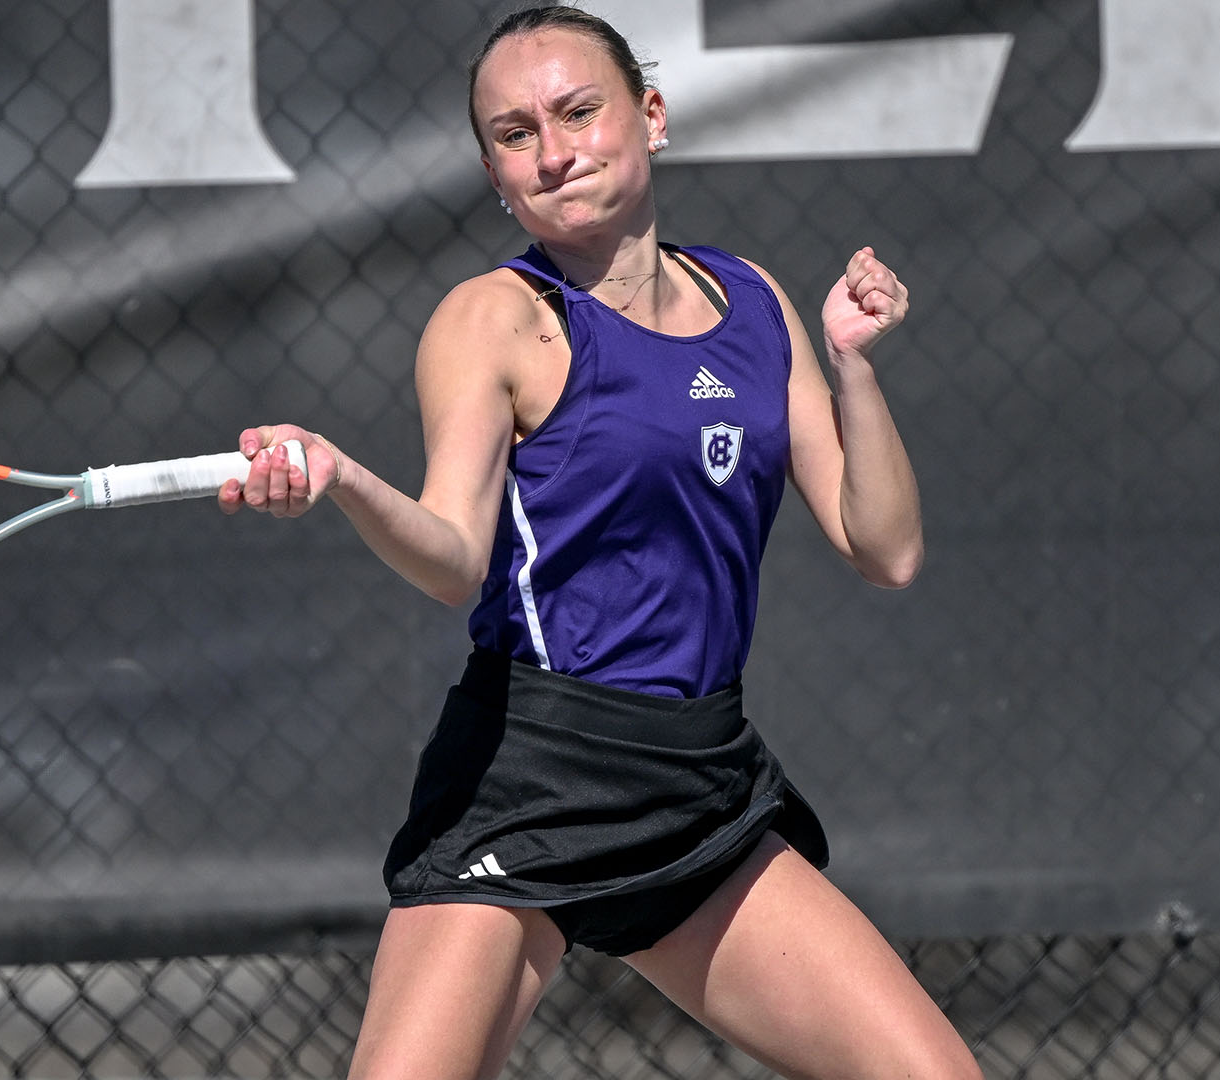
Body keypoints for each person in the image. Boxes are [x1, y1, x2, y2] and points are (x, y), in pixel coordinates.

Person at [219, 6, 980, 1078]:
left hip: (696, 783)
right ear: (494, 174)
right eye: (515, 134)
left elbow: (885, 548)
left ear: (650, 116)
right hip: (531, 778)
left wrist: (853, 365)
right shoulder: (493, 319)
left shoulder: (754, 303)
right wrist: (344, 479)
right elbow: (453, 556)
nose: (555, 151)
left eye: (578, 112)